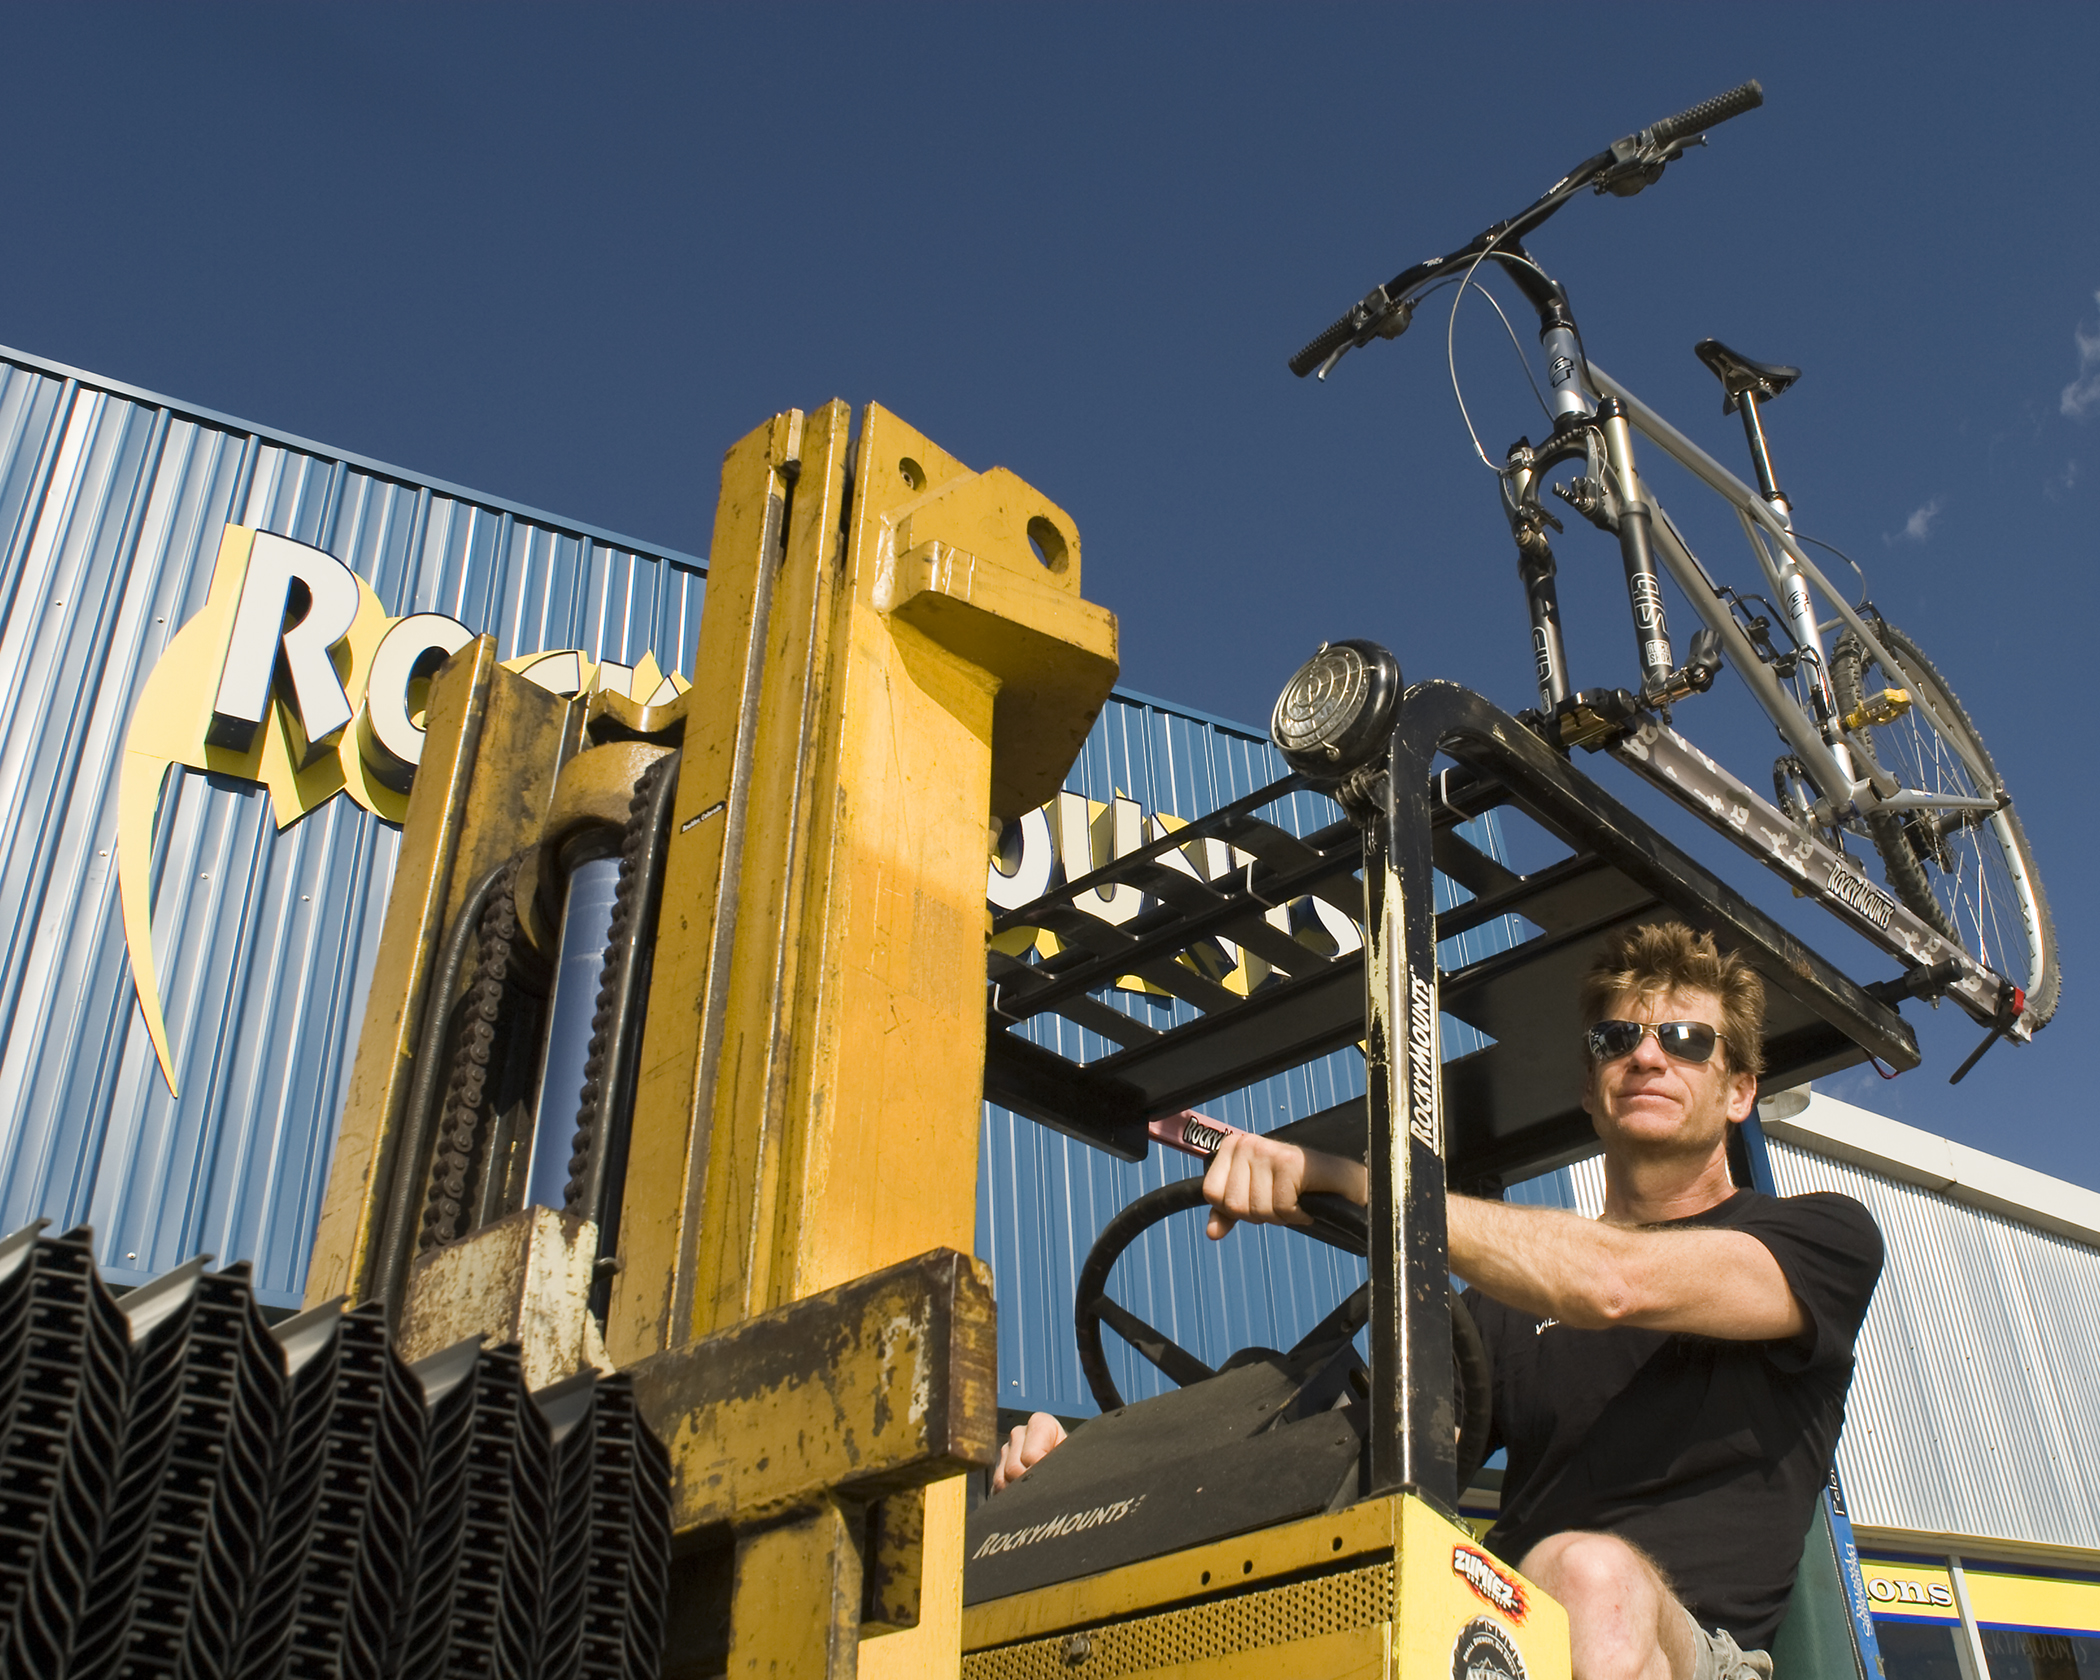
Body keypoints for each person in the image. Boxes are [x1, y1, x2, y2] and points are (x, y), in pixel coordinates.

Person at [991, 922, 1882, 1680]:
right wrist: (1089, 1475)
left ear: (1738, 1091)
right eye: (1617, 1040)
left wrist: (1350, 1180)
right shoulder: (1496, 1312)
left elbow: (1613, 1283)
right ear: (1589, 1085)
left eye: (1686, 1041)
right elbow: (1339, 1450)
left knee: (1588, 1575)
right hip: (1499, 1637)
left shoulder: (1819, 1243)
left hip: (1688, 1652)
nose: (1647, 1053)